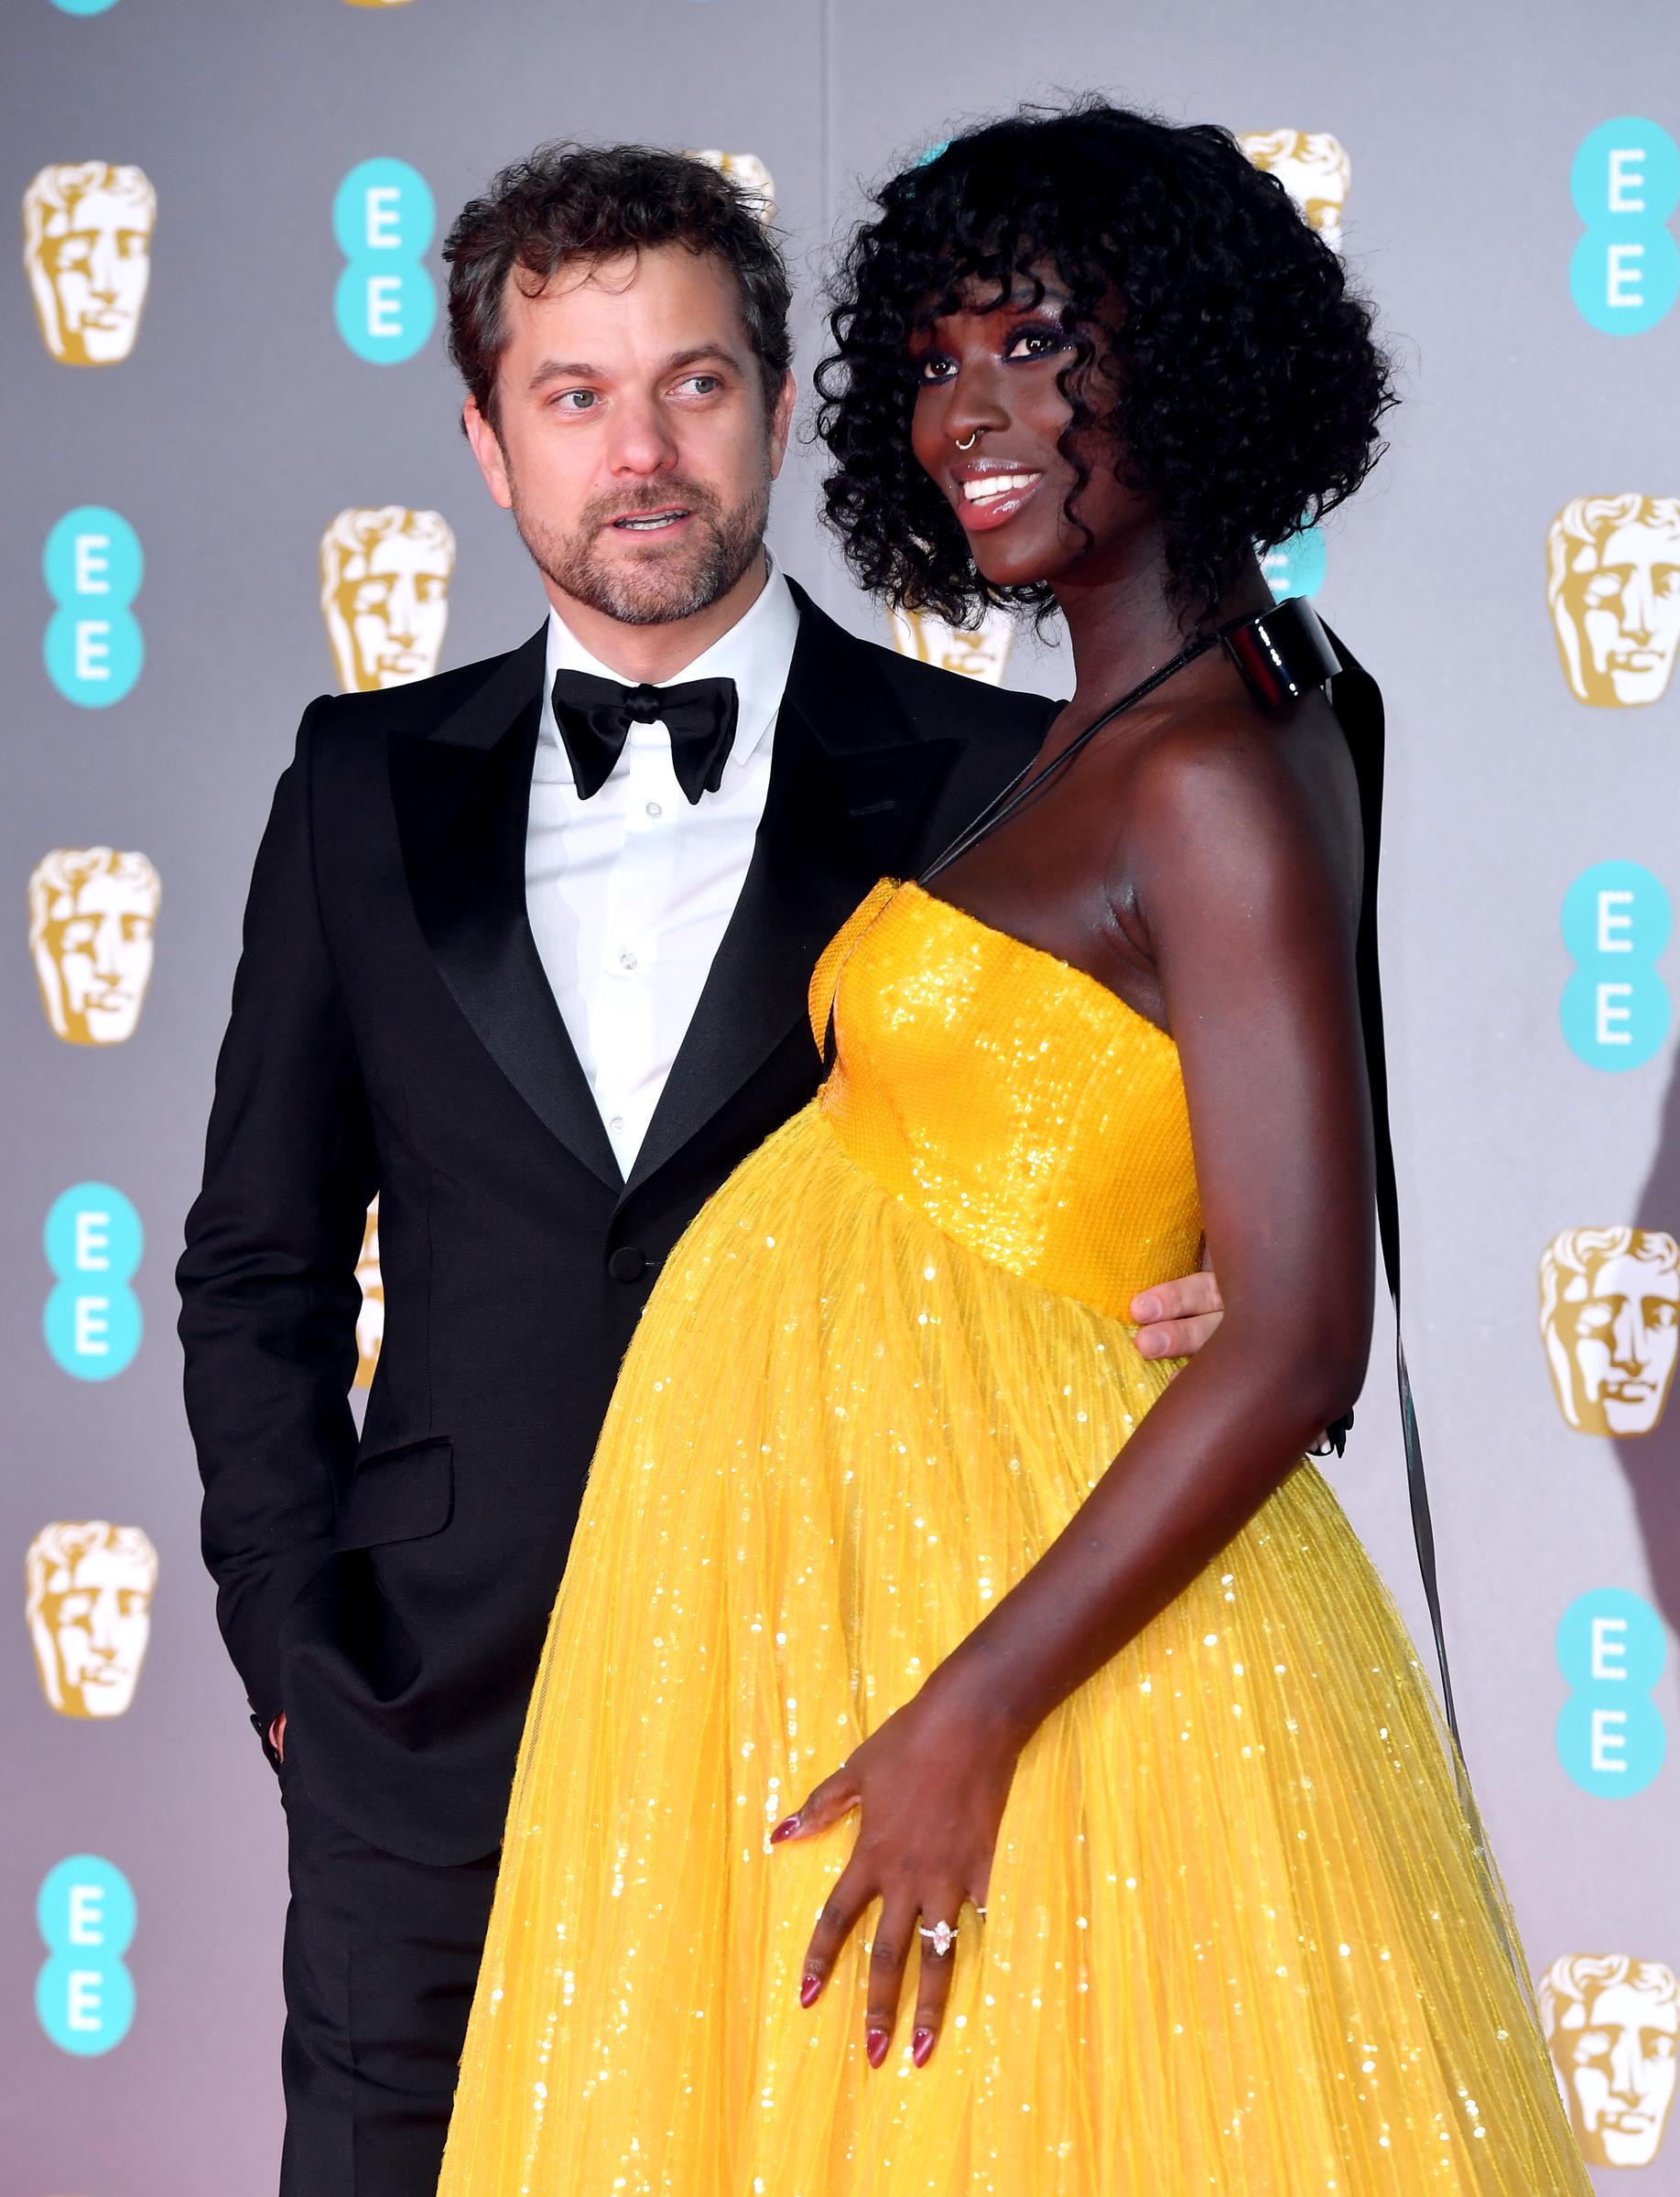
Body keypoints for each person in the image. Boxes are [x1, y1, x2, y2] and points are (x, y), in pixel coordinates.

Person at [437, 105, 1591, 2194]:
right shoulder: (1139, 718)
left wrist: (968, 1716)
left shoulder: (1209, 773)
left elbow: (1301, 1339)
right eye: (941, 363)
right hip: (897, 1584)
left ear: (1197, 361)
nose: (975, 413)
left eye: (1043, 348)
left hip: (1038, 1676)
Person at [174, 143, 1219, 2196]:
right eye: (573, 395)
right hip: (438, 1720)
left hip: (846, 1710)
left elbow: (1159, 1187)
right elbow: (258, 1267)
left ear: (774, 397)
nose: (638, 451)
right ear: (485, 442)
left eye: (694, 384)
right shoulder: (356, 786)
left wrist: (1202, 1292)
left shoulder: (995, 775)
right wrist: (301, 1652)